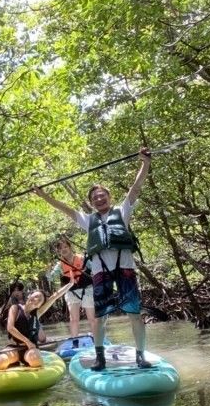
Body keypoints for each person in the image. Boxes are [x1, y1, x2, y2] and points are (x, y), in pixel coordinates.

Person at [32, 147, 153, 370]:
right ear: (91, 202)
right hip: (100, 273)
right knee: (100, 318)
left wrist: (144, 163)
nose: (99, 199)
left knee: (135, 314)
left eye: (102, 195)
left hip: (125, 269)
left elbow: (136, 189)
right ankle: (100, 358)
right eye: (95, 197)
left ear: (109, 197)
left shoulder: (123, 211)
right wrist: (43, 195)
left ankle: (140, 356)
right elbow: (65, 209)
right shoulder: (88, 221)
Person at [46, 236, 96, 337]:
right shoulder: (59, 265)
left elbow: (95, 269)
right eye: (60, 248)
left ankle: (98, 340)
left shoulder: (82, 259)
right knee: (73, 319)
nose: (63, 250)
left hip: (87, 290)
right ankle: (75, 341)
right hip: (71, 292)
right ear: (58, 251)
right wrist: (48, 270)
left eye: (65, 247)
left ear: (70, 247)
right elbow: (50, 278)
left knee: (91, 317)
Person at [0, 289, 48, 369]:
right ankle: (14, 362)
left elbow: (55, 296)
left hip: (30, 350)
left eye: (40, 300)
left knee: (35, 359)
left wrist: (70, 284)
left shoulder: (36, 314)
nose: (36, 299)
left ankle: (30, 361)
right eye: (36, 296)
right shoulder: (15, 308)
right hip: (15, 348)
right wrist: (27, 341)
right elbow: (10, 328)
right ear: (29, 295)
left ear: (40, 305)